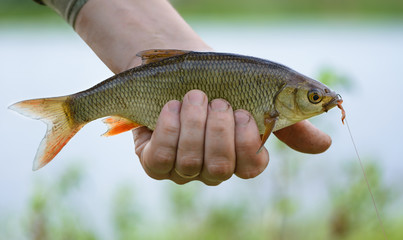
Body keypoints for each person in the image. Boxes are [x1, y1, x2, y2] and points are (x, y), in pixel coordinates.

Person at [33, 0, 332, 185]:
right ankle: (71, 113)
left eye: (315, 97)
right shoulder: (274, 88)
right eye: (314, 97)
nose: (320, 102)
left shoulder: (275, 81)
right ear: (287, 95)